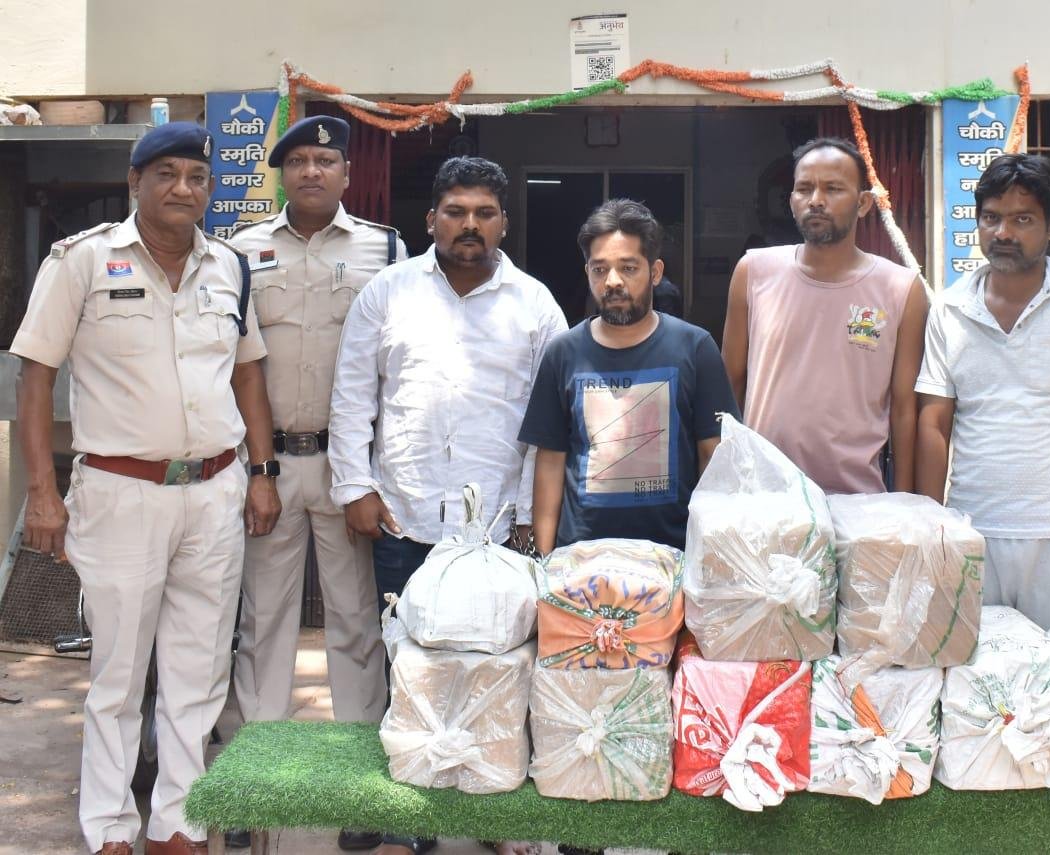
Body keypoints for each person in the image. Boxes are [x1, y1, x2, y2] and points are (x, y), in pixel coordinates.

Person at [12, 121, 280, 855]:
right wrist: (42, 492)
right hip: (119, 492)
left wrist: (261, 473)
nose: (182, 189)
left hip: (215, 490)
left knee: (200, 669)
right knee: (119, 672)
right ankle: (109, 827)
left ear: (210, 189)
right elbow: (35, 377)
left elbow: (248, 374)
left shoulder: (229, 268)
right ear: (135, 182)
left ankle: (179, 823)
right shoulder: (81, 261)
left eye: (196, 177)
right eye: (165, 174)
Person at [329, 155, 564, 855]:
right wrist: (355, 487)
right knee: (409, 663)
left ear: (503, 223)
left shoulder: (535, 305)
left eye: (484, 213)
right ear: (430, 219)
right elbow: (353, 395)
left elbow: (550, 425)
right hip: (404, 512)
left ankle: (494, 812)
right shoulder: (388, 292)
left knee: (499, 666)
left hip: (496, 526)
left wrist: (528, 515)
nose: (469, 225)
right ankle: (411, 804)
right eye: (456, 212)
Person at [225, 115, 406, 853]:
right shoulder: (240, 251)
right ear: (281, 173)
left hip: (349, 467)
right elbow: (234, 365)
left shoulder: (385, 249)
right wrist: (256, 470)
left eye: (325, 160)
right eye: (297, 160)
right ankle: (253, 786)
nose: (310, 171)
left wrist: (372, 474)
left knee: (357, 625)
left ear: (346, 174)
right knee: (262, 624)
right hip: (267, 465)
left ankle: (361, 788)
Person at [914, 153, 1050, 718]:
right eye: (991, 217)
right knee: (975, 698)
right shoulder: (950, 309)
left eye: (1022, 219)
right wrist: (930, 533)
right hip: (973, 533)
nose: (1003, 232)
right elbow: (934, 424)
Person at [520, 198, 738, 555]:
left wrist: (709, 557)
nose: (613, 281)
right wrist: (545, 562)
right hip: (581, 559)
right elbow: (551, 461)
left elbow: (712, 454)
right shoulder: (563, 354)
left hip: (673, 556)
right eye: (600, 269)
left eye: (628, 268)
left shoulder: (695, 348)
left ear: (655, 272)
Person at [721, 137, 927, 494]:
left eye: (833, 189)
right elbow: (729, 385)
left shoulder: (901, 288)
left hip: (859, 498)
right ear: (792, 200)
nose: (816, 200)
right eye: (804, 189)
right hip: (764, 496)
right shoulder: (753, 272)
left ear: (863, 203)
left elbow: (904, 409)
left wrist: (905, 501)